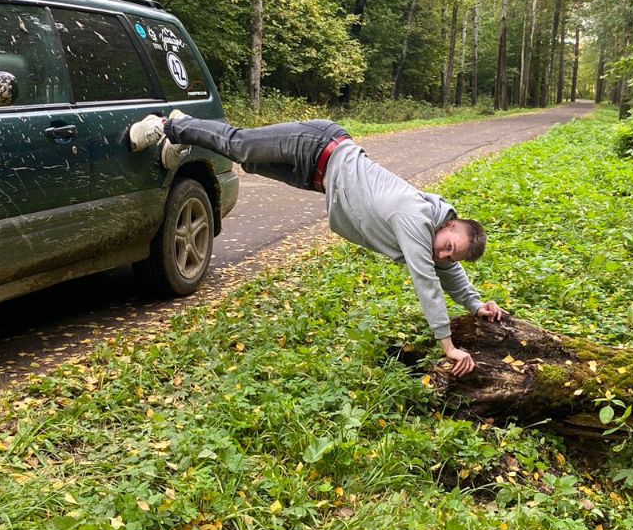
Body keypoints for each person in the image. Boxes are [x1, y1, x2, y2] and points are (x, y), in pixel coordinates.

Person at [127, 112, 506, 375]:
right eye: (448, 245)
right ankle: (169, 126)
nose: (443, 254)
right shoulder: (415, 218)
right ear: (450, 223)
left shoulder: (435, 233)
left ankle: (186, 132)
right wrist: (448, 344)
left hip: (318, 173)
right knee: (240, 145)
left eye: (449, 253)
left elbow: (447, 270)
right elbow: (428, 281)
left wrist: (475, 304)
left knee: (249, 162)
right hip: (319, 143)